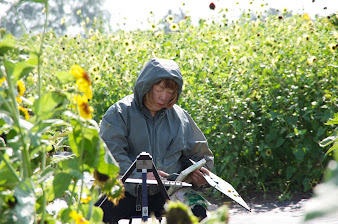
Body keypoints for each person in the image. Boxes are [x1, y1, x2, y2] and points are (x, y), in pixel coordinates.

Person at [96, 58, 214, 223]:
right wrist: (140, 176)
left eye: (171, 92)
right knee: (99, 214)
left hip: (167, 193)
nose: (164, 97)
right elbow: (110, 155)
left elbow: (201, 155)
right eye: (160, 89)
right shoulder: (120, 112)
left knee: (198, 212)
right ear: (147, 85)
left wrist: (201, 176)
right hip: (126, 191)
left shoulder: (180, 118)